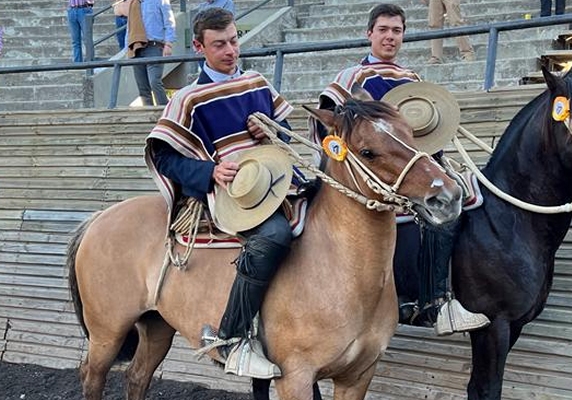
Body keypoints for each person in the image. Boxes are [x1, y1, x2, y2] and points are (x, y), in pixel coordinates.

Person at [312, 3, 489, 336]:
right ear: (369, 34)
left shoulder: (412, 80)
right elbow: (326, 129)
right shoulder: (351, 77)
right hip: (365, 178)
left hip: (408, 171)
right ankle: (415, 300)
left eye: (397, 31)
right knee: (418, 218)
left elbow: (424, 138)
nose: (390, 37)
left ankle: (440, 301)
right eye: (383, 30)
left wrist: (437, 166)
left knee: (461, 202)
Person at [144, 7, 295, 378]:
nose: (230, 50)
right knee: (274, 235)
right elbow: (163, 157)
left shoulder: (258, 82)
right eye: (219, 44)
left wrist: (273, 132)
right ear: (199, 46)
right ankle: (230, 337)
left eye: (233, 41)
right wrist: (210, 171)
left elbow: (287, 132)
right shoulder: (187, 98)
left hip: (276, 181)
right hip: (228, 195)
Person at [126, 0, 175, 105]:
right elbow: (129, 27)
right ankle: (148, 113)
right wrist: (128, 48)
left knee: (154, 82)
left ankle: (164, 110)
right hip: (136, 47)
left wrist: (169, 44)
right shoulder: (134, 4)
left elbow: (169, 21)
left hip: (154, 46)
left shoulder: (160, 1)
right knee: (142, 87)